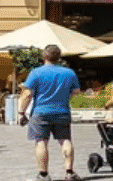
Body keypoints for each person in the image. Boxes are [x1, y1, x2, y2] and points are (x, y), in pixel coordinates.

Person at [21, 44, 80, 181]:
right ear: (59, 57)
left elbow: (27, 94)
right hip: (62, 111)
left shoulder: (36, 72)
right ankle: (69, 172)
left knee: (41, 142)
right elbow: (76, 91)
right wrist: (65, 97)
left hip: (40, 112)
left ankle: (43, 174)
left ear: (44, 56)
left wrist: (21, 112)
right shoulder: (69, 73)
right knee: (65, 140)